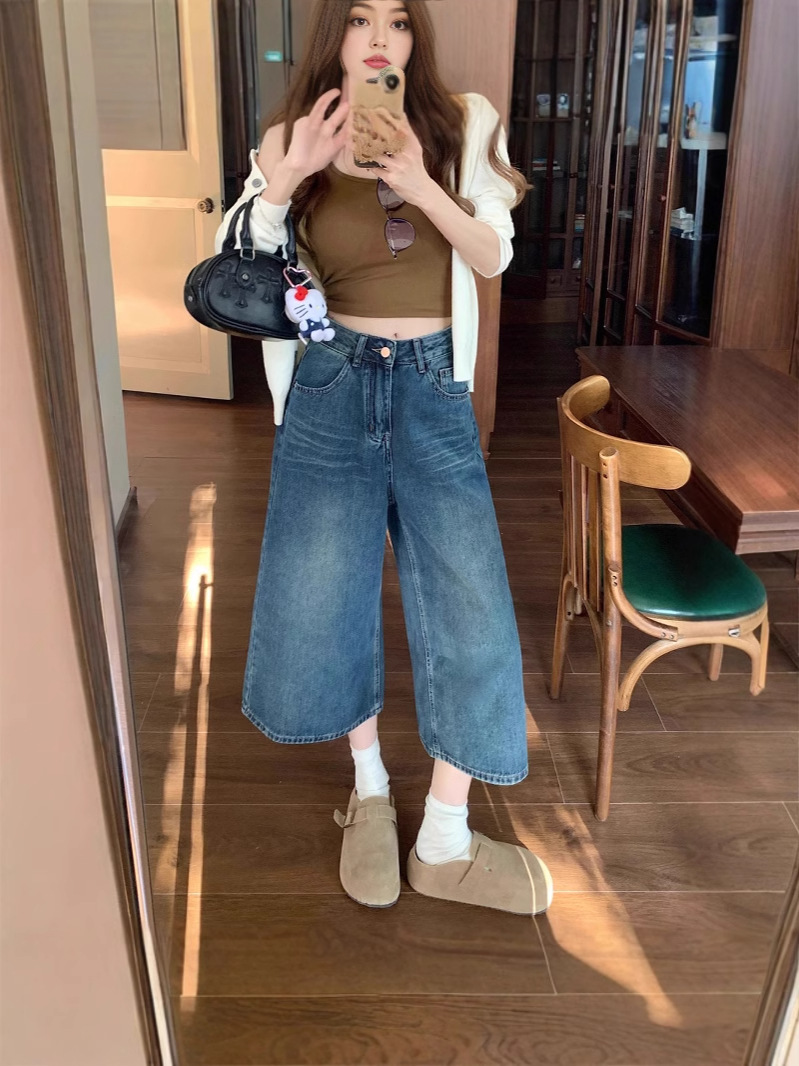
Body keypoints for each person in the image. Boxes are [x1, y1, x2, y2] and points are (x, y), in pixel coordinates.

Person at [215, 0, 553, 916]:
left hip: (433, 383)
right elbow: (241, 272)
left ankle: (443, 838)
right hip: (330, 379)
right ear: (335, 34)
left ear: (413, 39)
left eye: (397, 22)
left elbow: (492, 256)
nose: (377, 39)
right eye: (359, 18)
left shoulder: (464, 122)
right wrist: (286, 179)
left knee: (471, 604)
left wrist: (419, 179)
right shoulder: (290, 135)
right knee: (325, 593)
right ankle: (368, 793)